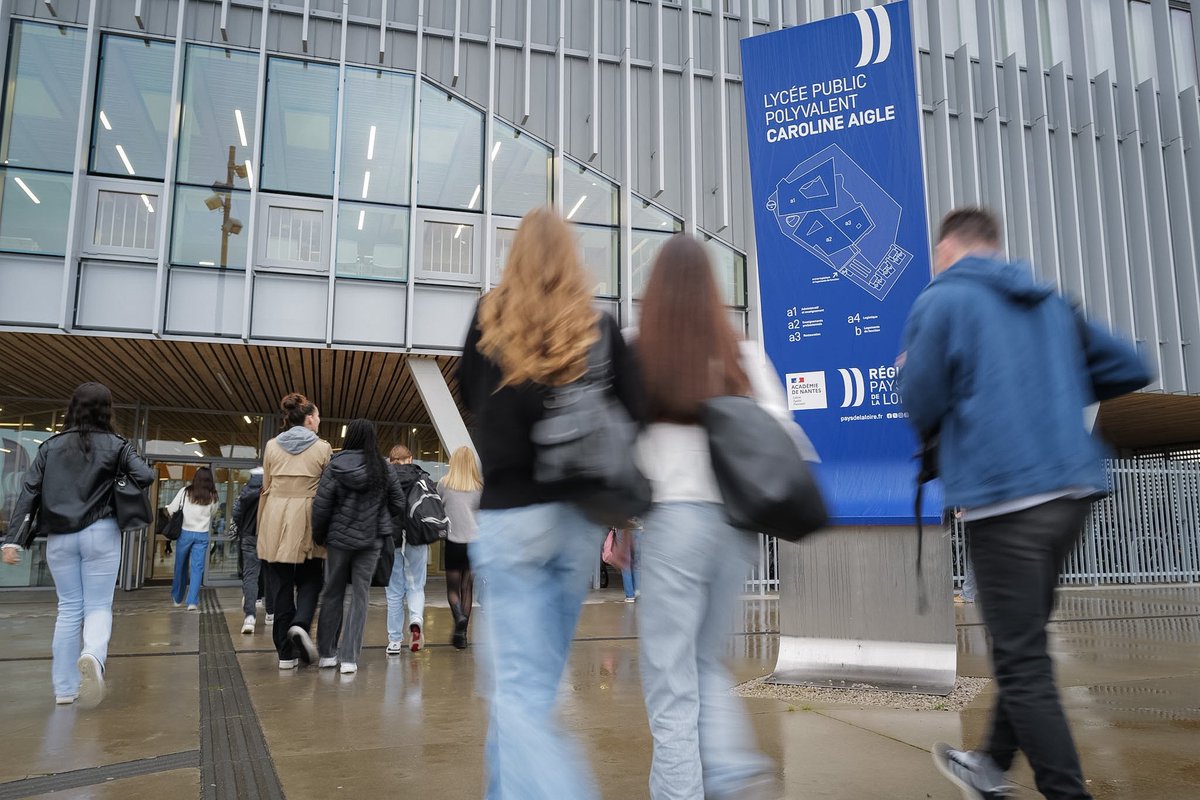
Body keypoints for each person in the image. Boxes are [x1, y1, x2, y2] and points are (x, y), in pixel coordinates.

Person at [899, 207, 1151, 800]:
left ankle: (1066, 792)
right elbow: (1130, 366)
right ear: (994, 247)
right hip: (1072, 491)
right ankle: (988, 763)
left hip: (1004, 499)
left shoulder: (942, 299)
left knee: (1022, 663)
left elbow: (921, 399)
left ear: (946, 251)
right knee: (1025, 641)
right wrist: (1047, 387)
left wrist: (917, 375)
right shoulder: (1049, 302)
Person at [458, 207, 645, 799]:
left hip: (512, 519)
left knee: (516, 690)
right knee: (529, 689)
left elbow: (469, 397)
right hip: (576, 524)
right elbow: (637, 411)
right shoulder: (598, 326)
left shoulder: (490, 317)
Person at [633, 234, 780, 799]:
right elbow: (782, 435)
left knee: (672, 685)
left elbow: (623, 448)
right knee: (702, 660)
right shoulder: (741, 352)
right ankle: (731, 771)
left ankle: (698, 785)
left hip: (674, 524)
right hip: (733, 527)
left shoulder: (640, 350)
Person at [1, 382, 154, 707]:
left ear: (73, 408)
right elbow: (145, 475)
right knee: (98, 606)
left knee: (69, 609)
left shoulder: (50, 446)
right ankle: (93, 657)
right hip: (101, 531)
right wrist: (116, 483)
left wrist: (12, 541)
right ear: (106, 410)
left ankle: (64, 689)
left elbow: (29, 491)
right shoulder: (116, 445)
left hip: (60, 536)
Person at [312, 419, 405, 674]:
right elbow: (399, 503)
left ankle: (327, 655)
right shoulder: (383, 468)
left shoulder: (335, 465)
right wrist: (380, 514)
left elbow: (321, 505)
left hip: (338, 540)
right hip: (370, 539)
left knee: (332, 593)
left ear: (349, 437)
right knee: (360, 596)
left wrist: (320, 535)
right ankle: (350, 658)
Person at [257, 392, 332, 669]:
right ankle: (300, 625)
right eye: (318, 417)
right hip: (308, 518)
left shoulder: (272, 446)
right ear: (310, 419)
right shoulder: (323, 448)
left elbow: (266, 484)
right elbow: (328, 489)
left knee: (281, 587)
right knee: (311, 579)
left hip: (275, 518)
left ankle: (284, 655)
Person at [385, 444, 432, 654]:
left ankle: (394, 641)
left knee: (394, 592)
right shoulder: (421, 477)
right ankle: (416, 620)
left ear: (391, 460)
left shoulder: (384, 478)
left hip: (392, 539)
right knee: (416, 586)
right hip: (416, 536)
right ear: (410, 458)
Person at [438, 445, 482, 649]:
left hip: (453, 542)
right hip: (474, 543)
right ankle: (462, 636)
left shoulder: (444, 484)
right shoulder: (479, 486)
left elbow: (438, 509)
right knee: (467, 588)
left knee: (453, 589)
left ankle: (458, 617)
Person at [166, 466, 220, 611]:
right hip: (202, 534)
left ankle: (177, 598)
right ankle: (192, 602)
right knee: (197, 569)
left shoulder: (185, 492)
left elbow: (171, 509)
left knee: (180, 566)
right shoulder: (213, 496)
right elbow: (213, 514)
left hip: (185, 533)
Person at [233, 466, 273, 633]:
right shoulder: (272, 491)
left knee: (250, 577)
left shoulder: (244, 493)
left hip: (249, 537)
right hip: (270, 537)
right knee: (271, 575)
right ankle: (271, 613)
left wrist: (245, 529)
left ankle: (250, 617)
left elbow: (236, 514)